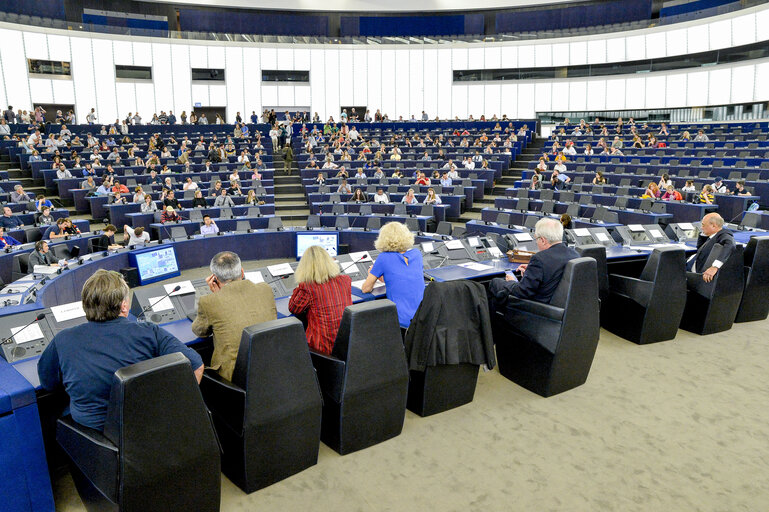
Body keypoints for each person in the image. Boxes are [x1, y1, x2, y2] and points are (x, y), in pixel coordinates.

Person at [37, 270, 203, 430]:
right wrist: (174, 412)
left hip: (96, 438)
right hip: (148, 430)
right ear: (124, 306)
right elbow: (196, 365)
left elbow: (49, 384)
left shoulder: (63, 339)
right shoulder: (149, 332)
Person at [191, 252, 277, 380]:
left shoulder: (209, 302)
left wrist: (217, 296)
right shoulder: (265, 289)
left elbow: (199, 332)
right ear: (242, 273)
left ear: (215, 279)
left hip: (235, 378)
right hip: (271, 366)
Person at [488, 218, 580, 305]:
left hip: (539, 308)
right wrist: (531, 272)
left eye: (536, 239)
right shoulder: (575, 254)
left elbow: (522, 291)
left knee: (496, 283)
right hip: (561, 306)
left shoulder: (540, 258)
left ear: (543, 240)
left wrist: (512, 282)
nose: (536, 243)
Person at [288, 245, 353, 354]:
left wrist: (299, 287)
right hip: (347, 343)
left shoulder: (307, 286)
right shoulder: (345, 280)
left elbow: (294, 308)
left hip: (322, 349)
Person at [361, 222, 425, 326]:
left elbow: (366, 288)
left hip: (400, 321)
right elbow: (401, 276)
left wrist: (371, 273)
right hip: (422, 317)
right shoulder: (417, 254)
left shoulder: (383, 258)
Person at [687, 213, 735, 283]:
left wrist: (715, 266)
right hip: (693, 262)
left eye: (703, 225)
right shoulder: (713, 235)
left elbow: (731, 244)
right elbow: (700, 249)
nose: (701, 227)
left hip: (694, 271)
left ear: (713, 226)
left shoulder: (724, 235)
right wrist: (704, 233)